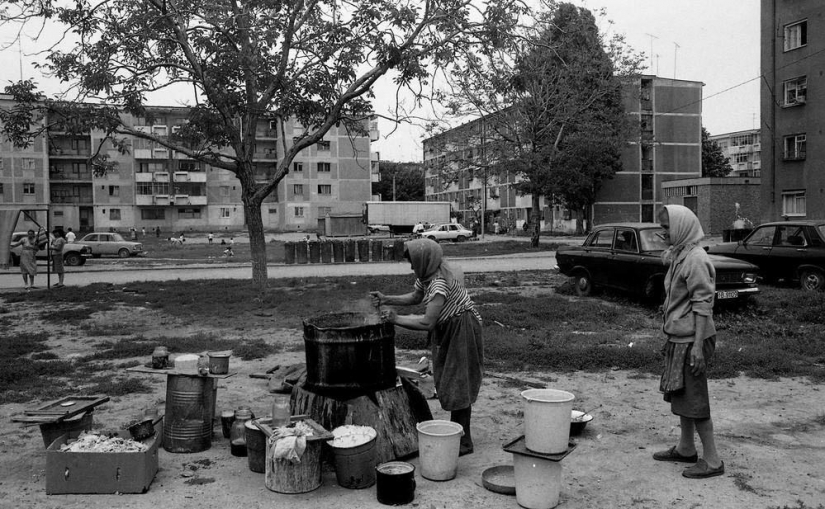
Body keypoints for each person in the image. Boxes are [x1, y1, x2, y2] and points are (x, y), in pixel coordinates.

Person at [370, 239, 483, 456]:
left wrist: (395, 319)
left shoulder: (439, 283)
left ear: (425, 260)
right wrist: (387, 299)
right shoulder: (427, 275)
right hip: (450, 327)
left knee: (458, 381)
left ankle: (464, 441)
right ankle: (459, 433)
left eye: (413, 262)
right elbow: (416, 297)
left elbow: (427, 323)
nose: (412, 267)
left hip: (462, 328)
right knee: (450, 379)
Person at [652, 204, 724, 479]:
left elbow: (704, 305)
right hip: (679, 337)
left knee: (695, 399)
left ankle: (713, 460)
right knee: (682, 394)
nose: (663, 232)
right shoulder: (680, 255)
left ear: (681, 228)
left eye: (666, 227)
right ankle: (685, 448)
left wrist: (697, 348)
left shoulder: (695, 259)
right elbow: (681, 297)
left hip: (693, 339)